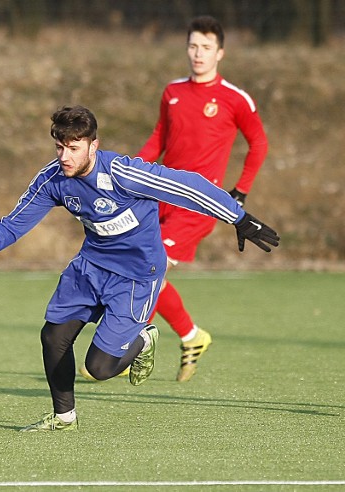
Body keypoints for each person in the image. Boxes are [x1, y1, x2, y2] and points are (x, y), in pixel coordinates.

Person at [0, 105, 278, 431]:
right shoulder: (54, 178)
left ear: (92, 145)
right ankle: (64, 417)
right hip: (90, 267)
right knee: (53, 336)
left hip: (137, 276)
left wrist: (239, 218)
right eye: (59, 147)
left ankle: (143, 338)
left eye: (73, 148)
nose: (65, 156)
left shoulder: (124, 174)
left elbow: (188, 186)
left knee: (99, 368)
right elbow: (18, 219)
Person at [135, 15, 269, 382]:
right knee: (143, 269)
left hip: (197, 205)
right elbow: (159, 139)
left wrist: (240, 189)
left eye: (206, 47)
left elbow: (258, 143)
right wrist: (130, 172)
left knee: (151, 267)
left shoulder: (234, 98)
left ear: (220, 53)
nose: (198, 53)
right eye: (193, 45)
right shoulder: (172, 91)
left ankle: (127, 348)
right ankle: (192, 336)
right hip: (160, 197)